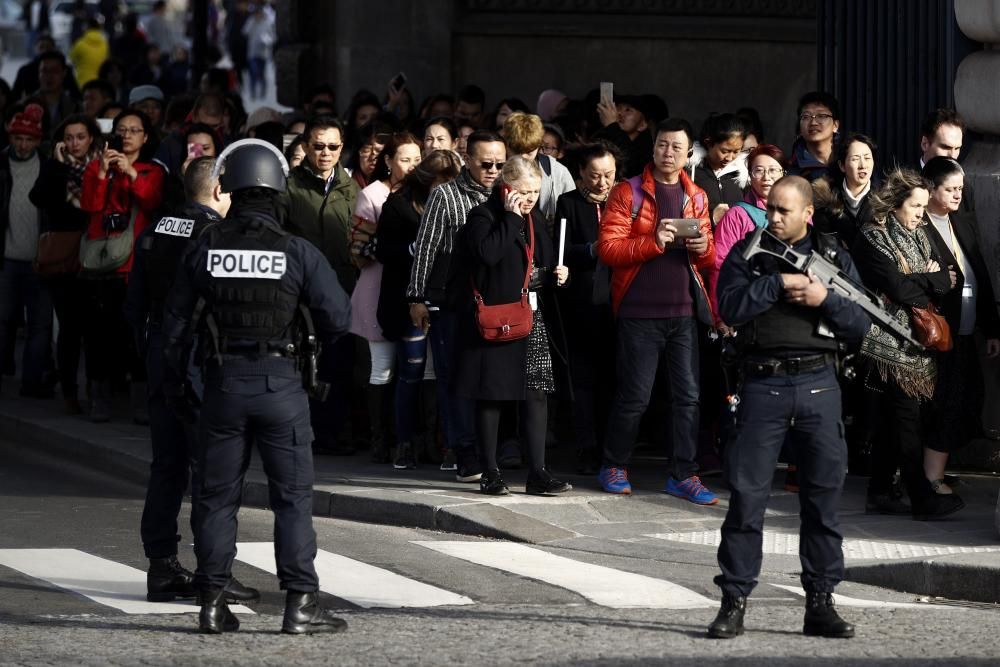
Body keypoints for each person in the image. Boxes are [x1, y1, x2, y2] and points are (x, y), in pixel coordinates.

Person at [161, 139, 352, 635]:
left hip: (221, 385)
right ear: (277, 190)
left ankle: (212, 599)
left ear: (232, 188)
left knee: (216, 496)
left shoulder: (205, 247)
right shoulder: (297, 251)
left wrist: (177, 382)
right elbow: (339, 316)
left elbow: (175, 322)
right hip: (282, 385)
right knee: (292, 498)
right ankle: (300, 605)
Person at [707, 175, 870, 640]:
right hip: (763, 385)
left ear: (806, 215)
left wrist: (824, 298)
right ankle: (734, 601)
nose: (773, 217)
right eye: (770, 209)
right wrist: (776, 283)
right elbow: (731, 307)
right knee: (746, 500)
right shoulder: (749, 251)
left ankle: (820, 603)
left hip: (819, 384)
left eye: (783, 211)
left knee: (822, 501)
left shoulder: (834, 256)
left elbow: (860, 322)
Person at [124, 156, 258, 606]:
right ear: (219, 190)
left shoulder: (156, 229)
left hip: (161, 356)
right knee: (212, 471)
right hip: (202, 361)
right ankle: (212, 572)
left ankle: (161, 568)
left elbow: (134, 304)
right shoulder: (215, 236)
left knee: (167, 466)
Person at [595, 118, 717, 503]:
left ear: (688, 154)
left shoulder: (696, 196)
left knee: (689, 397)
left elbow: (710, 254)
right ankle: (613, 465)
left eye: (677, 148)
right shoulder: (626, 192)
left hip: (682, 313)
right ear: (653, 148)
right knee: (635, 396)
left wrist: (702, 249)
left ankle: (683, 474)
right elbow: (609, 250)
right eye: (663, 145)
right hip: (638, 311)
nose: (668, 153)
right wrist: (654, 241)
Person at [453, 156, 572, 496]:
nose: (530, 198)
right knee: (490, 397)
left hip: (529, 317)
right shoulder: (483, 216)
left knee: (536, 396)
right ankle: (490, 471)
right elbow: (488, 254)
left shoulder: (534, 219)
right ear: (505, 187)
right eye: (522, 191)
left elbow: (541, 262)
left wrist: (556, 276)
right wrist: (508, 215)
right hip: (496, 320)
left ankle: (538, 472)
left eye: (535, 191)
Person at [850, 168, 964, 520]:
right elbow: (897, 289)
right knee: (906, 421)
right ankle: (921, 497)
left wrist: (923, 280)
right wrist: (928, 278)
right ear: (896, 204)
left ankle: (881, 490)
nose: (920, 214)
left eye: (923, 207)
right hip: (887, 344)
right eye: (915, 207)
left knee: (892, 420)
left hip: (917, 344)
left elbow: (949, 278)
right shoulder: (873, 237)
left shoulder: (919, 236)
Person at [407, 130, 507, 482]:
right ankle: (464, 451)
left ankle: (491, 451)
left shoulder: (507, 196)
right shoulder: (445, 196)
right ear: (468, 160)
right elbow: (426, 248)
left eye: (500, 163)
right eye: (486, 163)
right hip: (451, 302)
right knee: (454, 378)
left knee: (490, 379)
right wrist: (416, 297)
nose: (494, 170)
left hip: (497, 303)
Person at [277, 116, 360, 456]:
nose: (326, 153)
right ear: (305, 147)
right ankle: (301, 434)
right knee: (301, 365)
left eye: (333, 146)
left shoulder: (351, 188)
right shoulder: (288, 187)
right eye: (318, 146)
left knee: (338, 366)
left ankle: (335, 433)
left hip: (343, 290)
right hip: (301, 293)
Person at [374, 150, 462, 469]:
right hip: (407, 299)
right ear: (426, 181)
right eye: (441, 183)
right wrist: (414, 248)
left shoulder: (457, 203)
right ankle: (405, 443)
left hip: (446, 298)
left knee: (446, 375)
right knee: (410, 374)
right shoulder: (398, 205)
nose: (447, 190)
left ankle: (450, 445)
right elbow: (382, 249)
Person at [920, 157, 1000, 492]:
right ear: (931, 190)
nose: (956, 195)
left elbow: (979, 275)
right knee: (942, 404)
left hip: (966, 332)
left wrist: (992, 328)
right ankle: (930, 478)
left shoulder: (962, 224)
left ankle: (936, 472)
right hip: (936, 334)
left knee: (967, 399)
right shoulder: (918, 226)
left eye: (960, 189)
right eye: (950, 189)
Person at [79, 109, 164, 422]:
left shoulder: (151, 170)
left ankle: (139, 400)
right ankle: (99, 397)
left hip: (134, 264)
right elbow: (89, 206)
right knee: (99, 333)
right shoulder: (96, 167)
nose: (127, 135)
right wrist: (102, 172)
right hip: (100, 261)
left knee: (132, 334)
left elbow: (153, 201)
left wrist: (130, 173)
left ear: (145, 136)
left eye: (134, 130)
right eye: (122, 129)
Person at [348, 132, 423, 467]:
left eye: (417, 159)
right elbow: (357, 253)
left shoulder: (426, 194)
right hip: (379, 286)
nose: (411, 166)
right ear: (389, 161)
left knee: (418, 370)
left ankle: (411, 438)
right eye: (404, 159)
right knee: (383, 368)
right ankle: (381, 438)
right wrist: (386, 247)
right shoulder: (373, 195)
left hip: (415, 293)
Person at [27, 113, 101, 411]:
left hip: (97, 254)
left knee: (94, 327)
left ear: (91, 138)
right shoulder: (54, 167)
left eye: (80, 136)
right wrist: (57, 166)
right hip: (63, 258)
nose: (74, 143)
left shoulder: (100, 164)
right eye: (69, 137)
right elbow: (39, 198)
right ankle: (70, 390)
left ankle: (97, 391)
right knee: (70, 327)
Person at [555, 141, 620, 474]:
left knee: (614, 378)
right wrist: (593, 250)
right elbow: (561, 252)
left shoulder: (622, 202)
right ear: (581, 174)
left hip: (617, 301)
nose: (602, 183)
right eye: (595, 176)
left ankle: (614, 447)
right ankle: (586, 446)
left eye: (608, 175)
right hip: (580, 302)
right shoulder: (569, 203)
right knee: (583, 379)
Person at [0, 104, 51, 398]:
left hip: (39, 259)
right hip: (5, 258)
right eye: (17, 138)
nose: (22, 144)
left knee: (40, 325)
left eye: (28, 139)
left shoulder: (46, 167)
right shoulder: (0, 165)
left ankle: (31, 383)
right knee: (3, 321)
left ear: (37, 140)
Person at [709, 144, 787, 322]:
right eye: (758, 170)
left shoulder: (800, 214)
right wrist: (720, 314)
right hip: (749, 306)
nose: (767, 177)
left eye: (773, 170)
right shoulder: (737, 215)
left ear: (783, 173)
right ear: (750, 176)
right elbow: (719, 265)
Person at [501, 111, 575, 233]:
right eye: (517, 151)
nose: (523, 157)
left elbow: (571, 217)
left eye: (529, 152)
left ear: (538, 146)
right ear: (507, 146)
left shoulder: (558, 172)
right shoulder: (495, 169)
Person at [811, 133, 877, 249]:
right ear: (842, 165)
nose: (863, 165)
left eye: (867, 158)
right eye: (855, 159)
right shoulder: (824, 199)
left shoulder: (885, 200)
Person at [692, 113, 748, 225]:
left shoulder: (741, 175)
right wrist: (712, 217)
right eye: (725, 151)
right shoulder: (691, 173)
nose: (730, 158)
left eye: (736, 151)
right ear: (708, 142)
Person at [787, 92, 840, 182]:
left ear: (835, 125)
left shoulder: (849, 159)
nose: (813, 123)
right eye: (806, 116)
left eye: (821, 116)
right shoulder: (792, 170)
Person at [31, 51, 81, 130]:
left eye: (54, 71)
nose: (49, 76)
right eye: (44, 71)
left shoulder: (76, 107)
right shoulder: (28, 105)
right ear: (38, 73)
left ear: (64, 73)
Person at [242, 2, 275, 100]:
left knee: (261, 73)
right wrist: (252, 22)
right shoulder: (251, 21)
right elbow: (245, 32)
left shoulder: (267, 23)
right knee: (253, 72)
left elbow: (273, 37)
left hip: (263, 53)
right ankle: (253, 92)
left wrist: (266, 40)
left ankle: (262, 91)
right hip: (252, 52)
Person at [69, 17, 109, 87]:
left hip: (82, 83)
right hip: (99, 83)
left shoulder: (80, 44)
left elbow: (71, 60)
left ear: (87, 28)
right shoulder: (105, 45)